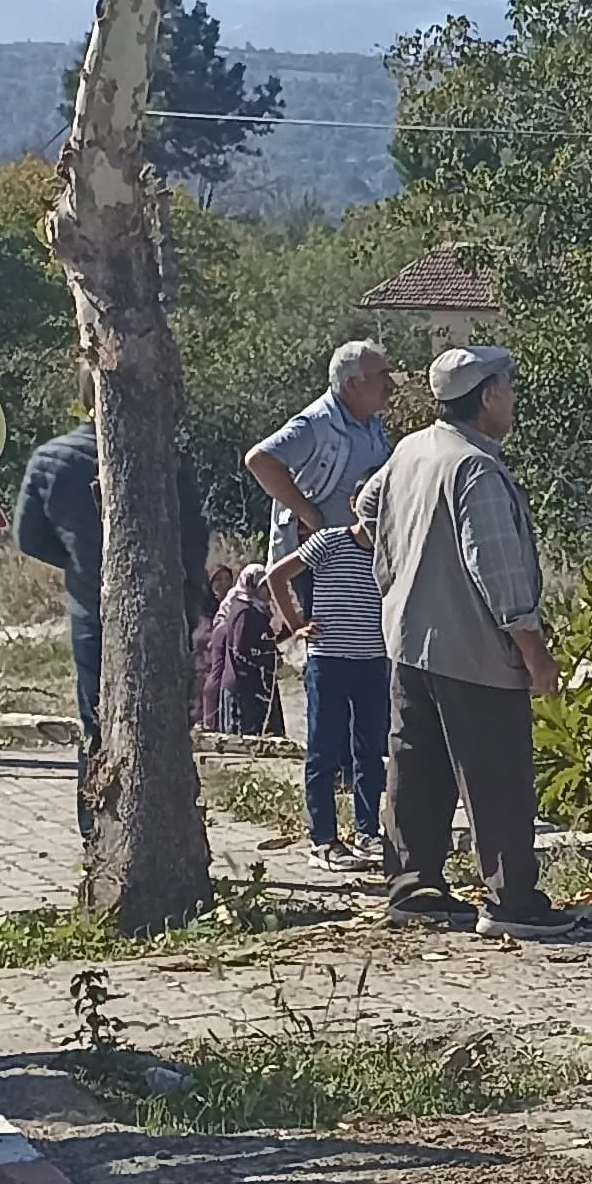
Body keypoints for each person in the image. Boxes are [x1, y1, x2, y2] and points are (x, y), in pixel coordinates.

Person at [363, 347, 578, 942]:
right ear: (486, 397)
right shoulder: (475, 467)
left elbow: (366, 506)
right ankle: (513, 899)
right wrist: (533, 650)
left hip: (409, 637)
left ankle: (414, 885)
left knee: (417, 763)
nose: (512, 398)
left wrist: (401, 561)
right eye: (506, 388)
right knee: (496, 772)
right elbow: (498, 570)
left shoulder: (411, 448)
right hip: (472, 648)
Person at [243, 342, 397, 871]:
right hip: (323, 564)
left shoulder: (369, 424)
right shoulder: (318, 420)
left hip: (366, 563)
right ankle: (324, 832)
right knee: (327, 717)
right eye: (380, 376)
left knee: (366, 724)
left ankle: (367, 826)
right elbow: (260, 460)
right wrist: (306, 512)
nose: (389, 384)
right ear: (352, 382)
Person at [11, 414, 205, 834]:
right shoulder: (163, 454)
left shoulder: (52, 458)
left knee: (97, 723)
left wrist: (81, 562)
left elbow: (28, 536)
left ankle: (97, 831)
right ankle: (166, 826)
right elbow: (193, 534)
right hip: (164, 605)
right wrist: (194, 598)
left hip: (91, 612)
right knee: (166, 718)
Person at [195, 558, 279, 737]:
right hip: (242, 681)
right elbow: (240, 650)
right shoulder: (242, 612)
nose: (268, 589)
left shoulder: (255, 609)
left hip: (251, 680)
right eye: (263, 585)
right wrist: (263, 655)